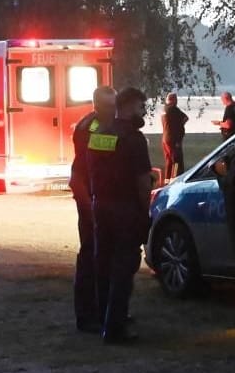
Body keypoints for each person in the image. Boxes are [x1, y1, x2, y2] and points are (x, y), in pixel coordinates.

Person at [91, 87, 155, 345]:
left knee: (103, 266)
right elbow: (142, 182)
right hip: (126, 209)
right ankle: (117, 326)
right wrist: (145, 211)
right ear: (128, 106)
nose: (143, 112)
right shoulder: (134, 139)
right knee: (123, 269)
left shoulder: (99, 134)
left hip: (101, 207)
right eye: (141, 107)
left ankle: (104, 320)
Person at [69, 85, 116, 334]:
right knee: (90, 257)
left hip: (99, 198)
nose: (113, 111)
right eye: (109, 106)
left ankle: (102, 310)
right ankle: (87, 315)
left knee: (103, 258)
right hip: (90, 200)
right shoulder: (92, 128)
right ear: (98, 105)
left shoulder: (100, 124)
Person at [160, 92, 189, 179]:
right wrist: (180, 125)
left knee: (169, 161)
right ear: (174, 100)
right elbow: (185, 118)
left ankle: (167, 179)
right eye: (176, 99)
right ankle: (176, 178)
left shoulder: (164, 109)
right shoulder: (173, 109)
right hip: (174, 139)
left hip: (165, 138)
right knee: (176, 161)